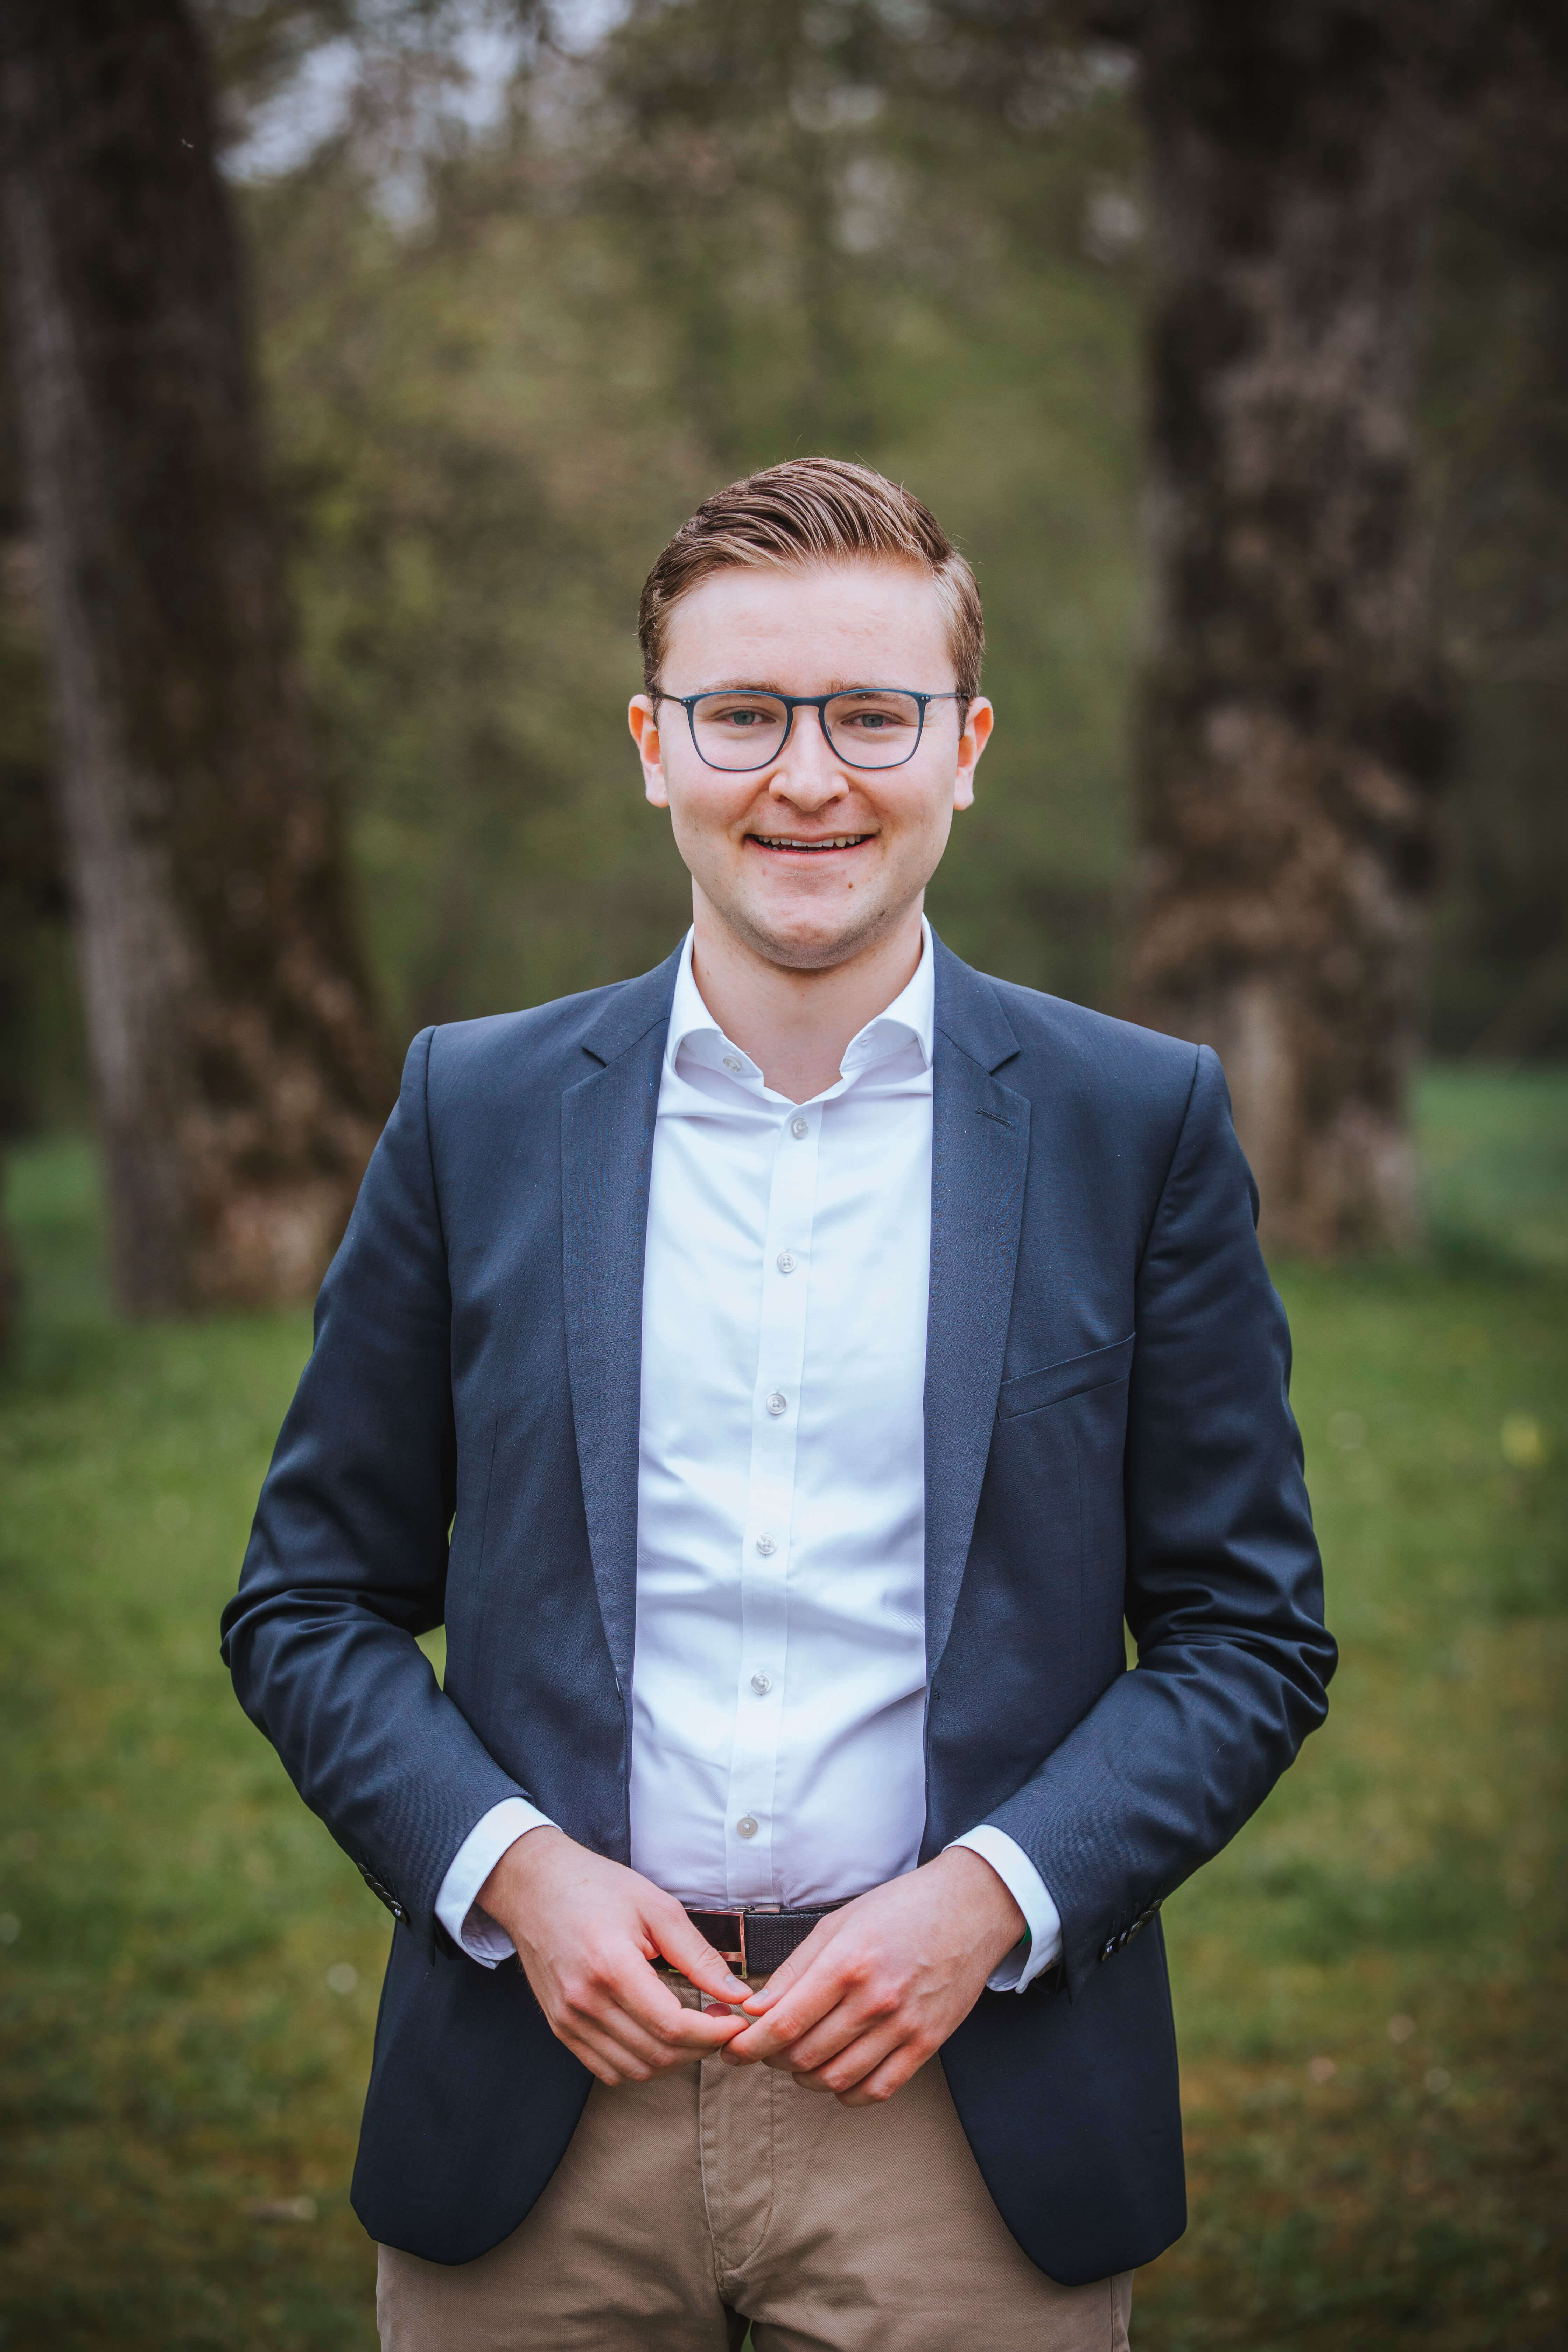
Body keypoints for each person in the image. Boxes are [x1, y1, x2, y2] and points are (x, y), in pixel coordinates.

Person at [223, 457, 1335, 2351]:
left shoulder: (1134, 1125)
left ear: (965, 746)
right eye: (742, 713)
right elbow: (308, 1601)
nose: (806, 777)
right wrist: (516, 1876)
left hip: (968, 2113)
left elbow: (1248, 1634)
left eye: (872, 715)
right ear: (653, 745)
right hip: (534, 2102)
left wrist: (992, 1898)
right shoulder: (473, 1114)